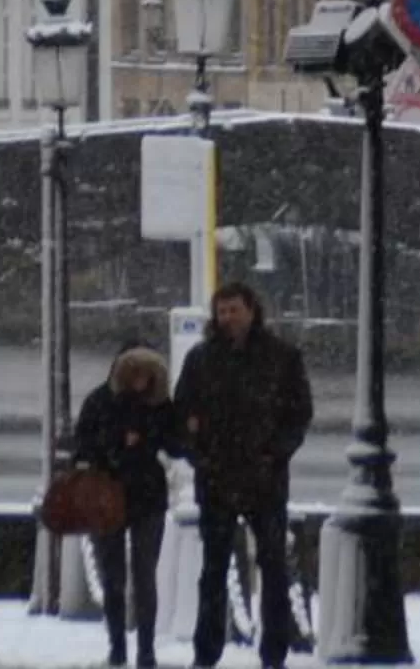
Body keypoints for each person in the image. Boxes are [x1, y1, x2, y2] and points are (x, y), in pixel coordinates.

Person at [172, 281, 312, 669]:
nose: (228, 318)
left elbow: (299, 414)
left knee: (273, 567)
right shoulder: (201, 359)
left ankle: (274, 653)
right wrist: (199, 455)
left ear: (252, 310)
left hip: (265, 479)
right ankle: (206, 652)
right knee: (213, 570)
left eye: (234, 310)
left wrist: (273, 454)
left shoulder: (282, 357)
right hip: (216, 478)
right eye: (222, 311)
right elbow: (181, 413)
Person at [72, 348, 180, 669]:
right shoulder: (101, 402)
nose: (140, 380)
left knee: (141, 576)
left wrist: (148, 437)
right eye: (135, 372)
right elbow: (83, 446)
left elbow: (177, 445)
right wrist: (121, 443)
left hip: (142, 497)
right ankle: (119, 645)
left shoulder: (157, 405)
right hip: (114, 495)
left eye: (146, 373)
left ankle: (144, 649)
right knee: (115, 577)